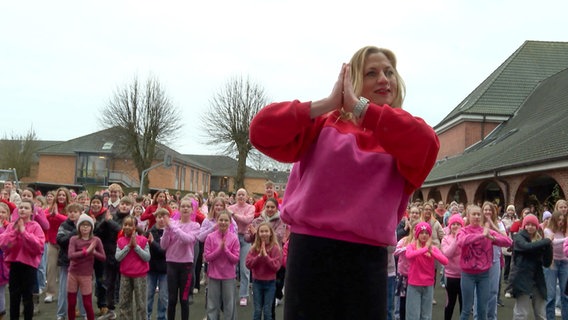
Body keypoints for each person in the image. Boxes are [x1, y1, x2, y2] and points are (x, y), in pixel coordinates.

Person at [249, 45, 439, 319]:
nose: (384, 79)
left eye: (389, 72)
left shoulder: (401, 133)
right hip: (311, 252)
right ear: (354, 82)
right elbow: (260, 131)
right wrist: (328, 103)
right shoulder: (324, 123)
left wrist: (363, 109)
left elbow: (428, 144)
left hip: (367, 259)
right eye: (372, 73)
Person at [456, 204, 512, 320]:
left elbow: (508, 242)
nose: (476, 217)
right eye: (474, 214)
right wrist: (481, 236)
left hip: (484, 275)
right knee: (466, 309)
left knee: (483, 309)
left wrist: (492, 238)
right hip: (468, 274)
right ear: (468, 216)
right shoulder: (463, 231)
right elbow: (461, 241)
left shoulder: (487, 231)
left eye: (478, 214)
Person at [0, 198, 45, 320]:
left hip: (29, 266)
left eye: (26, 208)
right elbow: (4, 244)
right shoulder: (11, 226)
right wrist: (15, 232)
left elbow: (38, 247)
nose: (22, 210)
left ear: (32, 212)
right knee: (14, 296)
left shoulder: (36, 226)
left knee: (27, 297)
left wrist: (24, 232)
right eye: (20, 207)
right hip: (14, 264)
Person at [160, 199, 200, 320]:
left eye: (188, 206)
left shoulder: (195, 225)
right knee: (172, 299)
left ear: (192, 210)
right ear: (179, 208)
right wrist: (167, 230)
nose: (185, 208)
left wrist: (172, 227)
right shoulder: (173, 224)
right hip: (172, 263)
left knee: (184, 299)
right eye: (183, 206)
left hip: (186, 265)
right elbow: (163, 245)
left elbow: (187, 239)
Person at [511, 214, 552, 319]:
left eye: (533, 225)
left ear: (537, 226)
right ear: (524, 226)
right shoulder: (519, 237)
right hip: (522, 277)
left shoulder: (540, 240)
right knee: (521, 313)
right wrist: (547, 241)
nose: (530, 227)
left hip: (537, 278)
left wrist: (549, 246)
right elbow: (527, 247)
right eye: (528, 224)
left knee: (541, 313)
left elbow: (547, 263)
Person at [405, 222, 448, 320]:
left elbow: (445, 261)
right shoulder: (412, 246)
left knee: (426, 315)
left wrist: (431, 251)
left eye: (426, 233)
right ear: (417, 234)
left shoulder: (432, 248)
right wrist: (424, 249)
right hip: (414, 285)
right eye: (421, 233)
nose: (424, 235)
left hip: (428, 285)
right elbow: (409, 255)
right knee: (413, 315)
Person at [67, 213, 106, 320]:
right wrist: (86, 252)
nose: (85, 227)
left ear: (91, 227)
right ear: (78, 226)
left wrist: (93, 252)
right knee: (71, 303)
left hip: (86, 275)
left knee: (87, 304)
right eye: (82, 225)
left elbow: (103, 257)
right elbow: (71, 255)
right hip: (73, 274)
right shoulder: (74, 239)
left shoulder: (96, 240)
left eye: (88, 225)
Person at [204, 210, 240, 320]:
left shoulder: (234, 238)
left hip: (228, 276)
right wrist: (219, 249)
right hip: (214, 275)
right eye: (221, 220)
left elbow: (235, 259)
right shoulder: (210, 237)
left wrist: (226, 250)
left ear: (230, 222)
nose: (223, 222)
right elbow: (207, 257)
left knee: (230, 305)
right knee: (212, 305)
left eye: (226, 220)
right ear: (217, 221)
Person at [115, 216, 150, 320]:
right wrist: (128, 247)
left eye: (130, 225)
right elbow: (118, 257)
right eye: (125, 224)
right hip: (125, 275)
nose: (127, 227)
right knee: (124, 303)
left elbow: (147, 257)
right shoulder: (120, 241)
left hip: (140, 275)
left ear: (135, 227)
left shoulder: (143, 240)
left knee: (141, 303)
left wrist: (136, 247)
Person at [56, 203, 87, 320]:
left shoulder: (86, 225)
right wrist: (75, 232)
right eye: (70, 212)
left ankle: (85, 314)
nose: (72, 214)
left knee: (83, 291)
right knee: (64, 290)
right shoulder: (64, 225)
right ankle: (61, 314)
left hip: (82, 263)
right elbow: (61, 240)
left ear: (80, 213)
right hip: (66, 262)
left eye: (75, 212)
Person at [246, 222, 283, 320]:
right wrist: (259, 256)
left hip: (270, 283)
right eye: (261, 231)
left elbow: (276, 267)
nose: (264, 233)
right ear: (258, 233)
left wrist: (266, 257)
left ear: (270, 233)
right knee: (257, 310)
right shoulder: (254, 248)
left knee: (267, 311)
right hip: (257, 282)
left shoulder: (275, 248)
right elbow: (248, 264)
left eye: (266, 231)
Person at [228, 188, 255, 307]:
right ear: (236, 196)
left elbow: (247, 220)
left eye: (243, 195)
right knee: (232, 268)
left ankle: (243, 295)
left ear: (247, 196)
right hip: (232, 238)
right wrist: (235, 215)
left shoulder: (251, 208)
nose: (241, 197)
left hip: (245, 238)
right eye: (239, 194)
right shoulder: (230, 207)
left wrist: (234, 215)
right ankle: (230, 294)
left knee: (244, 268)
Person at [44, 187, 71, 304]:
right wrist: (51, 214)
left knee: (67, 269)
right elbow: (43, 220)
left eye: (63, 195)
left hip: (66, 243)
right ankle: (50, 293)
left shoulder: (70, 208)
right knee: (51, 268)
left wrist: (57, 215)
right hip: (52, 242)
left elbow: (70, 220)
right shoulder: (50, 208)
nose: (61, 197)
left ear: (67, 197)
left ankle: (67, 291)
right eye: (59, 195)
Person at [544, 210, 568, 320]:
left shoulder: (565, 231)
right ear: (554, 220)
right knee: (551, 295)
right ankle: (550, 318)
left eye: (563, 220)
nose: (561, 222)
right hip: (552, 263)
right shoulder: (548, 230)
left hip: (564, 262)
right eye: (559, 220)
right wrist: (566, 239)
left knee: (565, 294)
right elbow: (553, 242)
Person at [441, 214, 464, 320]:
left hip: (465, 276)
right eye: (453, 224)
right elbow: (447, 253)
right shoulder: (445, 239)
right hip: (450, 276)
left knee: (464, 304)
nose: (455, 226)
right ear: (449, 226)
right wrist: (456, 239)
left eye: (458, 224)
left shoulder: (466, 238)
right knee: (450, 303)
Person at [146, 208, 168, 320]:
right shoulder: (149, 232)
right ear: (155, 218)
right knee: (148, 295)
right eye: (159, 217)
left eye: (164, 217)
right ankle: (146, 316)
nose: (161, 220)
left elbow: (164, 251)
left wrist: (153, 243)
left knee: (163, 297)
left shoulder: (169, 233)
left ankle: (162, 317)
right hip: (151, 268)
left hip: (165, 269)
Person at [0, 202, 11, 319]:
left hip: (2, 265)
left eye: (3, 212)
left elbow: (9, 245)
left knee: (0, 293)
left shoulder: (8, 228)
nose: (0, 214)